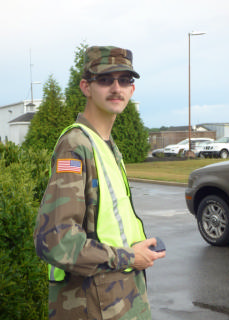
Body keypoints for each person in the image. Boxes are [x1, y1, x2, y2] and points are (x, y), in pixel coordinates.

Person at [34, 45, 166, 320]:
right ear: (86, 86)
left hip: (121, 300)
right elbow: (55, 239)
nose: (116, 88)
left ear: (132, 89)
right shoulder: (75, 145)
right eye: (105, 79)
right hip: (93, 305)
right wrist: (130, 257)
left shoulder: (105, 145)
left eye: (125, 80)